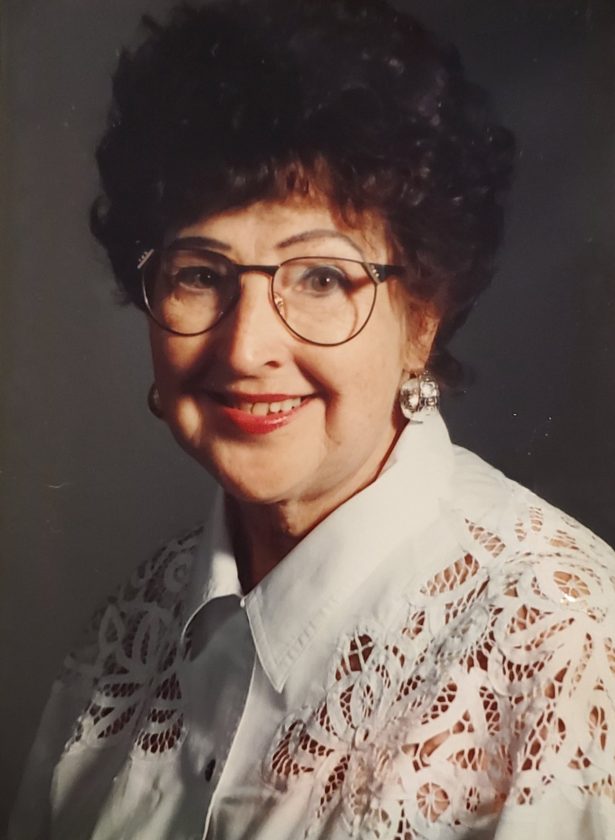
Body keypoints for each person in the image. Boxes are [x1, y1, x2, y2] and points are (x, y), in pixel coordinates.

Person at [9, 0, 615, 837]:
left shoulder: (563, 651)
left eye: (321, 278)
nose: (246, 347)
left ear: (423, 316)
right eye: (201, 274)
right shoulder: (133, 626)